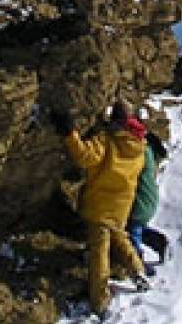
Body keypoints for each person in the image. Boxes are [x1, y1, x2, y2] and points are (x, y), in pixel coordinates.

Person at [50, 103, 150, 314]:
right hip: (122, 206)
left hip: (101, 204)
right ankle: (137, 270)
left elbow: (84, 156)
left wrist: (69, 132)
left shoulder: (108, 141)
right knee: (119, 236)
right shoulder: (139, 147)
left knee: (99, 252)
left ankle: (100, 300)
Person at [123, 108, 168, 272]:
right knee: (136, 226)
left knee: (132, 229)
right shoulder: (148, 149)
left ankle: (138, 265)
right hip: (149, 199)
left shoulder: (140, 151)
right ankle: (157, 241)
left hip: (140, 201)